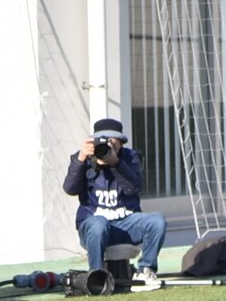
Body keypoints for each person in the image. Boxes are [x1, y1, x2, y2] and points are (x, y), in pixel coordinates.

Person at [62, 117, 167, 287]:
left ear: (121, 143)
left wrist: (116, 164)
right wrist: (81, 159)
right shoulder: (83, 159)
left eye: (113, 143)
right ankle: (97, 277)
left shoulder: (130, 158)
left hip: (126, 223)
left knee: (157, 221)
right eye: (103, 142)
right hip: (94, 225)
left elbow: (133, 188)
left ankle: (146, 271)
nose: (108, 147)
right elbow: (70, 189)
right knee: (99, 223)